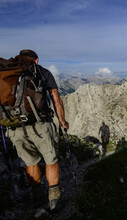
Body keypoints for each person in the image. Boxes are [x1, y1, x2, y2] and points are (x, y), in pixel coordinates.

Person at [8, 49, 69, 210]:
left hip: (14, 126)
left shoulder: (10, 72)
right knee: (51, 159)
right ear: (36, 60)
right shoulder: (43, 72)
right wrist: (62, 121)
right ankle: (54, 200)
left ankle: (37, 198)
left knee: (30, 161)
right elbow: (56, 99)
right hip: (40, 124)